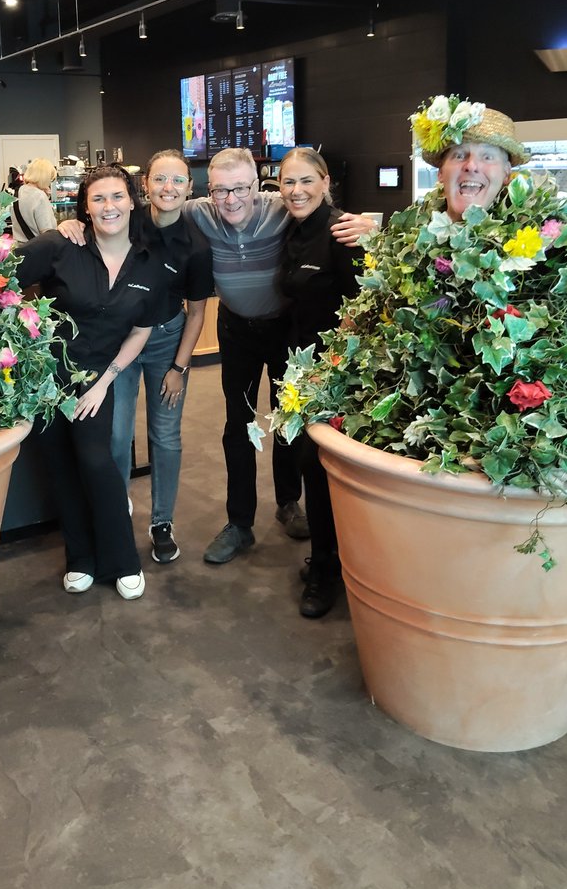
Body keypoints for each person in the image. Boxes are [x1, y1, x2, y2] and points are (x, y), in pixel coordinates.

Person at [183, 146, 373, 566]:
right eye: (220, 190)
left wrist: (372, 223)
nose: (230, 199)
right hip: (236, 331)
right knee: (239, 425)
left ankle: (288, 503)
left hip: (287, 330)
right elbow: (153, 213)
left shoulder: (283, 206)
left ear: (257, 186)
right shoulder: (198, 211)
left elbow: (325, 212)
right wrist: (77, 225)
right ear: (208, 190)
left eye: (240, 188)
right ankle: (239, 523)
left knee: (288, 420)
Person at [16, 165, 167, 601]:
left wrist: (106, 382)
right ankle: (79, 558)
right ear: (84, 206)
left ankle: (123, 560)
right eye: (98, 199)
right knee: (60, 468)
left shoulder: (150, 263)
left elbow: (140, 331)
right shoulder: (61, 245)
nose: (109, 207)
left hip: (96, 378)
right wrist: (22, 330)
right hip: (44, 376)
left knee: (97, 464)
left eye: (117, 197)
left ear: (133, 201)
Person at [108, 150, 214, 565]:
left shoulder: (196, 246)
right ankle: (116, 509)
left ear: (190, 188)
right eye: (160, 179)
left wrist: (179, 368)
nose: (168, 188)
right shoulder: (125, 221)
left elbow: (198, 309)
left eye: (178, 181)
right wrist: (66, 225)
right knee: (116, 435)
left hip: (166, 342)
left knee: (165, 435)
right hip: (119, 343)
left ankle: (162, 522)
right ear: (145, 184)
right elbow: (85, 231)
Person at [277, 147, 358, 617]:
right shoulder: (291, 229)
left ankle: (327, 571)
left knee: (320, 465)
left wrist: (330, 371)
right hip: (298, 369)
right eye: (289, 183)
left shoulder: (342, 231)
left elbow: (361, 310)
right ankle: (329, 558)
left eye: (307, 181)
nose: (297, 190)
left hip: (335, 375)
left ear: (326, 182)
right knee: (309, 466)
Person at [10, 157, 57, 244]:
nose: (50, 182)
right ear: (45, 177)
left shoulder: (19, 191)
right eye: (50, 178)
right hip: (37, 249)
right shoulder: (39, 196)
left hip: (20, 247)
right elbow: (47, 232)